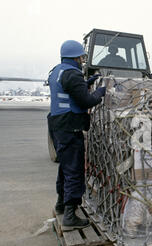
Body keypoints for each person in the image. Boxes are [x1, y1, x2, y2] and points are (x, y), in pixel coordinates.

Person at [48, 40, 106, 230]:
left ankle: (61, 204)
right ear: (75, 57)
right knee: (74, 170)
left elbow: (70, 90)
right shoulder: (72, 74)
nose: (82, 60)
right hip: (70, 127)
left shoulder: (57, 71)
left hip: (58, 126)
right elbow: (85, 101)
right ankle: (70, 216)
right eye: (81, 57)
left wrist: (85, 83)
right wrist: (99, 92)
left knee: (65, 167)